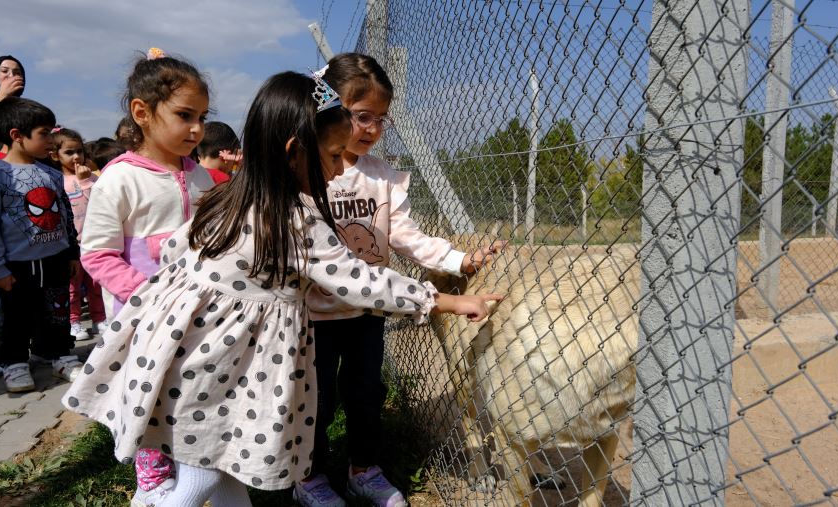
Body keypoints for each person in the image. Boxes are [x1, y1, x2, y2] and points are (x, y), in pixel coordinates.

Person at [61, 71, 501, 507]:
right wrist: (445, 300)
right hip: (215, 366)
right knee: (199, 479)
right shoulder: (293, 220)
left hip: (185, 348)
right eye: (333, 155)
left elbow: (177, 247)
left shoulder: (232, 197)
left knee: (218, 462)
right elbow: (361, 280)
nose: (337, 169)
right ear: (294, 151)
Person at [293, 53, 505, 507]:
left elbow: (408, 236)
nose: (372, 128)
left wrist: (459, 261)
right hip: (313, 316)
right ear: (330, 110)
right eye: (361, 116)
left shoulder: (383, 177)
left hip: (368, 312)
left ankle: (363, 470)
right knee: (315, 401)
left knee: (366, 394)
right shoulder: (309, 170)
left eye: (381, 119)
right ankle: (308, 475)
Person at [79, 48, 214, 322]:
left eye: (202, 117)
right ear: (142, 113)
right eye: (185, 115)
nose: (197, 128)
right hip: (141, 318)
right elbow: (98, 255)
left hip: (197, 313)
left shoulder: (202, 177)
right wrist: (146, 294)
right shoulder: (119, 179)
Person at [0, 97, 83, 392]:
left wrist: (72, 252)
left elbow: (64, 215)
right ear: (17, 135)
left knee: (57, 312)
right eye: (44, 133)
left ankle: (59, 355)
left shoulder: (51, 174)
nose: (51, 140)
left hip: (55, 259)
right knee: (15, 317)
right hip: (16, 266)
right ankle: (14, 362)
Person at [49, 127, 107, 340]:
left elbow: (101, 202)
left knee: (96, 284)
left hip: (94, 242)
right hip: (72, 246)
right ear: (55, 155)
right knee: (72, 287)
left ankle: (100, 319)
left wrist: (85, 181)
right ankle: (73, 321)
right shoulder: (56, 181)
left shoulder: (92, 178)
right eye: (69, 152)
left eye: (79, 151)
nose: (76, 157)